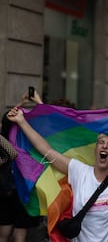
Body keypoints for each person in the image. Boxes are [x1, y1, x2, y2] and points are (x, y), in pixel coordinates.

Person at [6, 98, 108, 242]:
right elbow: (47, 151)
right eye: (101, 142)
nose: (104, 146)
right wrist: (22, 121)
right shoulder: (79, 171)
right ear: (95, 150)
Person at [0, 91, 44, 242]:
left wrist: (21, 103)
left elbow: (7, 119)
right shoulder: (31, 144)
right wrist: (38, 102)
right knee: (20, 236)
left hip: (5, 189)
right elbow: (47, 125)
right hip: (23, 190)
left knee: (3, 234)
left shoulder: (4, 139)